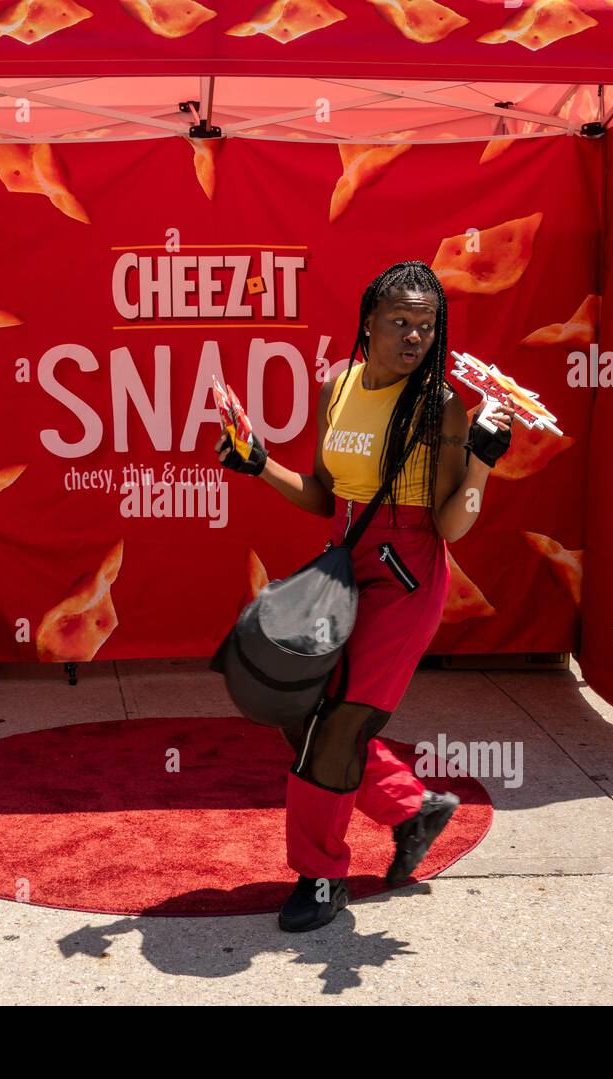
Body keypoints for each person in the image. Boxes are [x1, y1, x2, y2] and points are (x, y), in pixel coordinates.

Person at [214, 260, 514, 932]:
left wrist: (482, 466)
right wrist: (259, 463)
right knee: (299, 706)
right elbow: (324, 494)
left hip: (407, 573)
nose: (414, 336)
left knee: (338, 726)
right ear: (368, 322)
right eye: (401, 321)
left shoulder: (440, 406)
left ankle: (322, 878)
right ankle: (413, 808)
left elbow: (449, 523)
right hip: (346, 556)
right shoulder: (338, 387)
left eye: (427, 325)